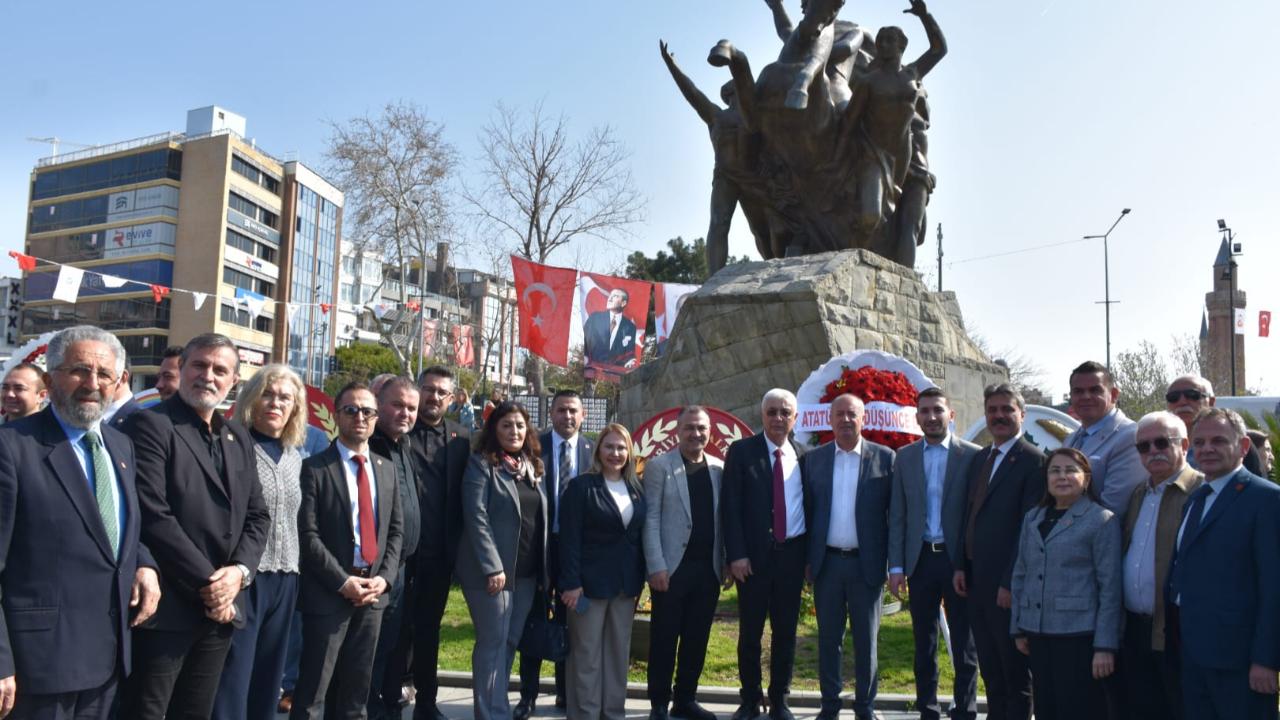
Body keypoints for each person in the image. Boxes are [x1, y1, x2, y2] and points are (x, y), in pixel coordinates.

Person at [0, 326, 160, 719]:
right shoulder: (12, 447)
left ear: (119, 381)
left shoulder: (120, 446)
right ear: (51, 376)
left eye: (104, 374)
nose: (92, 383)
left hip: (107, 660)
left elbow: (115, 530)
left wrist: (145, 563)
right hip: (36, 666)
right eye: (79, 370)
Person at [120, 333, 270, 720]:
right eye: (199, 365)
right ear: (182, 369)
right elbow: (153, 513)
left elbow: (257, 516)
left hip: (220, 610)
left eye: (220, 370)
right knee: (148, 711)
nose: (208, 376)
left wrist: (237, 574)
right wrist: (211, 585)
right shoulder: (150, 425)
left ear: (234, 381)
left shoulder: (237, 436)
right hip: (167, 609)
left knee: (197, 712)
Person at [289, 382, 403, 720]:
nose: (360, 417)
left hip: (372, 595)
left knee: (356, 695)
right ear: (336, 416)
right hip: (329, 593)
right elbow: (307, 535)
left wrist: (384, 578)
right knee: (313, 693)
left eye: (368, 411)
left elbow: (395, 532)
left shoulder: (387, 469)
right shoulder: (315, 468)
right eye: (351, 410)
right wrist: (342, 582)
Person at [208, 364, 307, 720]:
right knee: (234, 676)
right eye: (268, 393)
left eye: (285, 397)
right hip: (244, 577)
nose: (275, 403)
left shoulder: (296, 457)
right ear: (252, 397)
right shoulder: (232, 444)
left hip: (286, 577)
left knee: (269, 678)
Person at [1168, 408, 1280, 719]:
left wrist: (1266, 660)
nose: (1207, 449)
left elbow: (1274, 587)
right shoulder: (1197, 497)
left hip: (1241, 664)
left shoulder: (1267, 500)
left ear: (1243, 447)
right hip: (1194, 655)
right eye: (1200, 442)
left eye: (1218, 441)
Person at [887, 387, 981, 720]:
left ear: (950, 415)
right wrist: (896, 566)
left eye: (937, 410)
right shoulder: (905, 458)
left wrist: (970, 563)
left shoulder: (972, 456)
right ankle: (928, 707)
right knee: (924, 642)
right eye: (924, 411)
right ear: (917, 417)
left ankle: (965, 708)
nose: (931, 417)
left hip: (957, 562)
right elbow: (898, 514)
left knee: (964, 642)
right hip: (921, 560)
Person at [1009, 448, 1122, 719]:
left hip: (1078, 636)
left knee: (1076, 709)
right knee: (1047, 707)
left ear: (1086, 478)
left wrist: (1105, 646)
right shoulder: (1033, 518)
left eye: (1071, 470)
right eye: (1055, 471)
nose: (1062, 477)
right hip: (1038, 631)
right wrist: (1018, 626)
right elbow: (1021, 573)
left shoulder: (1100, 520)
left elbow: (1110, 588)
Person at [954, 383, 1043, 720]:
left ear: (1022, 414)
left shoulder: (1034, 462)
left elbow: (1027, 529)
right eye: (992, 410)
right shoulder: (981, 458)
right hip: (976, 581)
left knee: (1015, 672)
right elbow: (969, 516)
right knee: (990, 666)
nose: (999, 416)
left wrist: (1010, 582)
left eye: (1007, 409)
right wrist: (960, 565)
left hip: (1007, 587)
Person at [804, 394, 895, 720]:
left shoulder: (885, 459)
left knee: (866, 643)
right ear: (830, 419)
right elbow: (809, 512)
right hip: (827, 565)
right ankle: (829, 707)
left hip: (866, 566)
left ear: (863, 419)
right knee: (829, 641)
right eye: (839, 414)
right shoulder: (814, 460)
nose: (845, 420)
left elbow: (894, 516)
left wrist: (894, 564)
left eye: (851, 414)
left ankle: (864, 708)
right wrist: (807, 562)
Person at [456, 401, 547, 720]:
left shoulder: (532, 467)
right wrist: (492, 565)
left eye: (520, 425)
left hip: (525, 572)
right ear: (494, 428)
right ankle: (491, 712)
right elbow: (476, 516)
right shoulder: (482, 465)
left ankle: (496, 707)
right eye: (507, 425)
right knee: (492, 641)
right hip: (491, 573)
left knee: (509, 641)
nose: (514, 431)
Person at [721, 388, 808, 720]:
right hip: (752, 561)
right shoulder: (742, 452)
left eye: (785, 412)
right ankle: (749, 698)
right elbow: (730, 507)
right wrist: (736, 555)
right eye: (772, 412)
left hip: (791, 558)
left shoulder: (804, 454)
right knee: (751, 634)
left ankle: (780, 699)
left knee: (786, 633)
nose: (778, 418)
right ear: (762, 415)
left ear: (795, 418)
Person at [659, 39, 774, 268]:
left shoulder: (757, 117)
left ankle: (774, 263)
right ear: (730, 94)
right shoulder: (716, 116)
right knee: (719, 223)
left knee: (761, 229)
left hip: (754, 177)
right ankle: (714, 279)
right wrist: (673, 66)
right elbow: (692, 92)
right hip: (726, 177)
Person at [559, 423, 647, 720]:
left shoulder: (636, 488)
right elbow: (569, 539)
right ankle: (586, 713)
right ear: (598, 451)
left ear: (630, 453)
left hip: (624, 587)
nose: (615, 453)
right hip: (587, 587)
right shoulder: (582, 487)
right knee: (587, 657)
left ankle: (613, 713)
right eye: (609, 446)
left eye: (621, 447)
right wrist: (570, 583)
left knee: (617, 654)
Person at [516, 390, 595, 719]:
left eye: (573, 411)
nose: (567, 416)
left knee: (571, 622)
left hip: (578, 551)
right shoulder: (533, 448)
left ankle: (565, 693)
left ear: (583, 415)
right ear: (551, 413)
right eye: (561, 410)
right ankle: (528, 696)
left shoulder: (595, 451)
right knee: (534, 621)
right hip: (539, 547)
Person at [643, 406, 726, 720]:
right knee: (664, 638)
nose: (696, 434)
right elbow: (650, 519)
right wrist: (656, 566)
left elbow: (724, 519)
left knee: (696, 638)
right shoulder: (659, 467)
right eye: (690, 428)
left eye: (702, 428)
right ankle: (659, 703)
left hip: (708, 571)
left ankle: (685, 699)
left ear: (710, 432)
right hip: (671, 569)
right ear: (677, 431)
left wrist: (726, 561)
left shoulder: (719, 468)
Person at [843, 0, 947, 247]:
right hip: (873, 154)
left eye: (890, 40)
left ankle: (871, 253)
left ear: (902, 46)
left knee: (892, 217)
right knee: (870, 216)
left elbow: (938, 50)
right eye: (880, 41)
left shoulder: (912, 74)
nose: (883, 45)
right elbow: (848, 123)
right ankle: (855, 249)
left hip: (902, 155)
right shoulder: (868, 82)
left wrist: (925, 15)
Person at [1120, 411, 1203, 720]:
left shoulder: (1201, 491)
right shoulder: (1139, 494)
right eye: (1144, 446)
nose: (1152, 451)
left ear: (1184, 444)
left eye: (1161, 443)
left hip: (1177, 631)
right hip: (1135, 629)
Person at [410, 366, 472, 720]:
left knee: (429, 630)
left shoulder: (462, 438)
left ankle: (425, 703)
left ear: (451, 399)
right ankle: (385, 698)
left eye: (441, 392)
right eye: (428, 389)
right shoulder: (397, 431)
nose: (433, 397)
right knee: (393, 630)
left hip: (439, 553)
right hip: (398, 553)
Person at [367, 377, 423, 719]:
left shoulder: (403, 445)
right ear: (378, 403)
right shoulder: (368, 445)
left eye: (411, 408)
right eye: (397, 405)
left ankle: (386, 704)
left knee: (390, 643)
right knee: (369, 648)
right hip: (375, 567)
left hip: (403, 566)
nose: (405, 413)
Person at [1061, 361, 1143, 521]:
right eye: (1078, 391)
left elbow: (1112, 508)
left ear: (1113, 395)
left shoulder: (1131, 436)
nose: (1086, 397)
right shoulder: (1070, 439)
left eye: (1095, 390)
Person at [1164, 375, 1266, 475]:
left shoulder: (1236, 440)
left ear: (1211, 401)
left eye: (1192, 395)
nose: (1182, 402)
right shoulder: (1156, 444)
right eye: (1173, 397)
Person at [583, 288, 639, 368]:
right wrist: (584, 357)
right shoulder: (594, 318)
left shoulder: (630, 327)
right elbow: (585, 340)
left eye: (615, 296)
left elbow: (629, 352)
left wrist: (630, 360)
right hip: (591, 369)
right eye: (610, 295)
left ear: (623, 303)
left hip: (615, 373)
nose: (610, 298)